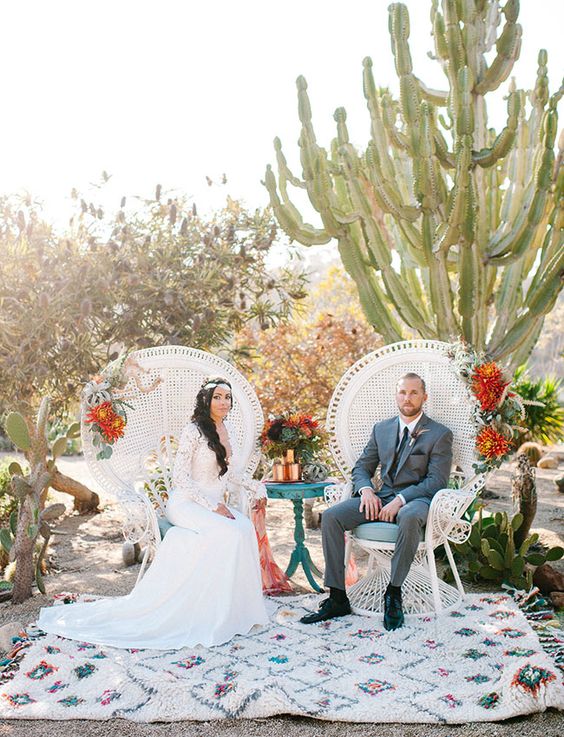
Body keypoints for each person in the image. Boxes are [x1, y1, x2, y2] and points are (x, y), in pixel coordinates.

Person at [37, 377, 269, 649]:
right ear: (206, 400)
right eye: (217, 396)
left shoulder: (226, 430)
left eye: (227, 397)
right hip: (187, 504)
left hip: (214, 503)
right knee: (229, 533)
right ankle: (207, 612)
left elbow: (229, 475)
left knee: (243, 529)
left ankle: (235, 610)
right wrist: (212, 506)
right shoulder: (193, 431)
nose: (223, 402)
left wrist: (256, 488)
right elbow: (181, 479)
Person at [301, 373, 453, 630]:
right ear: (396, 395)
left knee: (409, 516)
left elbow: (436, 481)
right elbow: (362, 468)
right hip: (380, 498)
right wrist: (366, 491)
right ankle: (337, 596)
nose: (407, 398)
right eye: (403, 392)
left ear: (424, 397)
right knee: (331, 517)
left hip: (418, 501)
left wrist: (402, 499)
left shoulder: (439, 434)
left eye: (414, 393)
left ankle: (393, 593)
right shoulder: (381, 429)